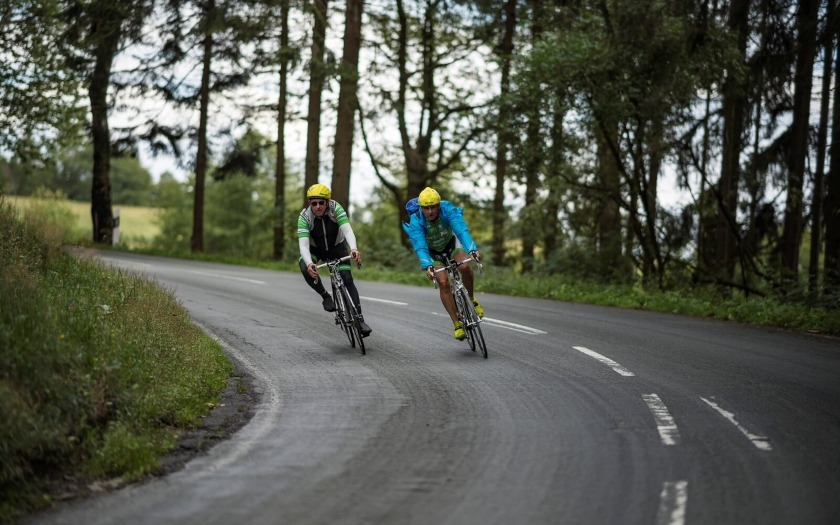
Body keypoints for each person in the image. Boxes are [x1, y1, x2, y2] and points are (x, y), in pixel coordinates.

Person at [403, 187, 484, 341]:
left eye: (433, 207)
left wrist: (472, 250)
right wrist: (428, 266)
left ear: (439, 205)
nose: (430, 211)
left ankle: (472, 299)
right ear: (421, 208)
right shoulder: (416, 221)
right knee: (443, 282)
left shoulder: (447, 209)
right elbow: (420, 246)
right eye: (426, 208)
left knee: (465, 266)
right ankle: (457, 324)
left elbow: (461, 230)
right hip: (433, 251)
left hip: (451, 242)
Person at [297, 183, 372, 337]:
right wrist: (310, 263)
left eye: (321, 203)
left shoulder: (335, 208)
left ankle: (360, 319)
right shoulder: (304, 217)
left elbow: (348, 231)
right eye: (314, 203)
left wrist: (353, 249)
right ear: (309, 203)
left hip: (337, 247)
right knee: (304, 266)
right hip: (315, 249)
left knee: (347, 278)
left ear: (327, 202)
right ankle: (325, 296)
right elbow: (303, 246)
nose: (318, 207)